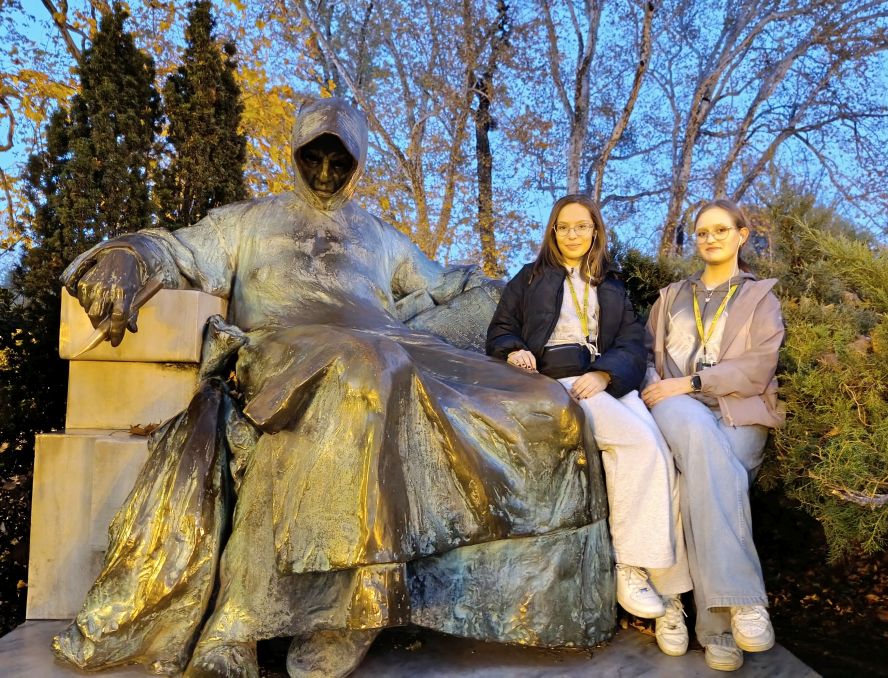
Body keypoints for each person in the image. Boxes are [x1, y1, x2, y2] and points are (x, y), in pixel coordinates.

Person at [52, 99, 616, 678]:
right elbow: (175, 249)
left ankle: (512, 598)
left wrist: (524, 299)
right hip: (284, 347)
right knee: (364, 366)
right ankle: (330, 612)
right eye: (313, 156)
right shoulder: (246, 220)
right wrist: (127, 256)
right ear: (295, 152)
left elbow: (448, 283)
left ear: (358, 163)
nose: (325, 172)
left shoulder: (379, 235)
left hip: (388, 346)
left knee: (547, 404)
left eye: (339, 160)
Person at [486, 194, 692, 657]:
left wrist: (605, 374)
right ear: (553, 231)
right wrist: (514, 350)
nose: (572, 234)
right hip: (559, 380)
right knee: (639, 445)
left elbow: (632, 344)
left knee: (665, 458)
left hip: (605, 381)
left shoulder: (612, 283)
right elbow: (500, 329)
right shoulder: (530, 277)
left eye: (582, 226)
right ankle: (630, 568)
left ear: (596, 230)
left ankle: (671, 597)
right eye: (563, 227)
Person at [641, 198, 785, 672]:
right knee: (706, 455)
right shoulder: (669, 298)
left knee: (700, 483)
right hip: (677, 407)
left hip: (738, 410)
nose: (710, 239)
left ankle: (705, 623)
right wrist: (665, 388)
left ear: (741, 235)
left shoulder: (761, 297)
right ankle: (743, 605)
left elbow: (758, 367)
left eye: (721, 230)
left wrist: (694, 381)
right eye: (702, 232)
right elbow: (645, 358)